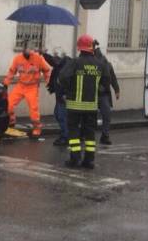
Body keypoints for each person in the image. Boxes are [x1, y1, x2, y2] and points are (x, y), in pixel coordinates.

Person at [58, 34, 109, 169]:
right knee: (90, 133)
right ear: (91, 47)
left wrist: (68, 90)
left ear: (80, 48)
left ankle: (75, 159)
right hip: (91, 106)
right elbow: (106, 82)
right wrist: (97, 92)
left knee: (74, 132)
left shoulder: (75, 62)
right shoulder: (100, 64)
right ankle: (89, 160)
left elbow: (62, 78)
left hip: (74, 105)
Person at [4, 43, 52, 140]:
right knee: (8, 105)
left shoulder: (38, 59)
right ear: (23, 50)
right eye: (26, 50)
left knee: (34, 111)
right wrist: (6, 83)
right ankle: (11, 121)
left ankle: (37, 128)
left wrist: (49, 82)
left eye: (30, 50)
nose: (28, 53)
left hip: (32, 87)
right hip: (21, 85)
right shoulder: (17, 59)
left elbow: (47, 70)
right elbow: (12, 71)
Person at [92, 41, 121, 145]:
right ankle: (88, 134)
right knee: (92, 116)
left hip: (103, 95)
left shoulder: (107, 64)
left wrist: (117, 90)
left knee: (106, 115)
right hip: (93, 94)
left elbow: (113, 78)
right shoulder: (92, 63)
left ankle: (105, 135)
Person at [42, 48, 69, 146]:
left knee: (61, 115)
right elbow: (51, 61)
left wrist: (65, 93)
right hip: (59, 94)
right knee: (58, 114)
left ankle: (65, 136)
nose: (54, 58)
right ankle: (65, 133)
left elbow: (68, 81)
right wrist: (44, 54)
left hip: (63, 95)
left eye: (56, 55)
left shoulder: (66, 66)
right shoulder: (60, 64)